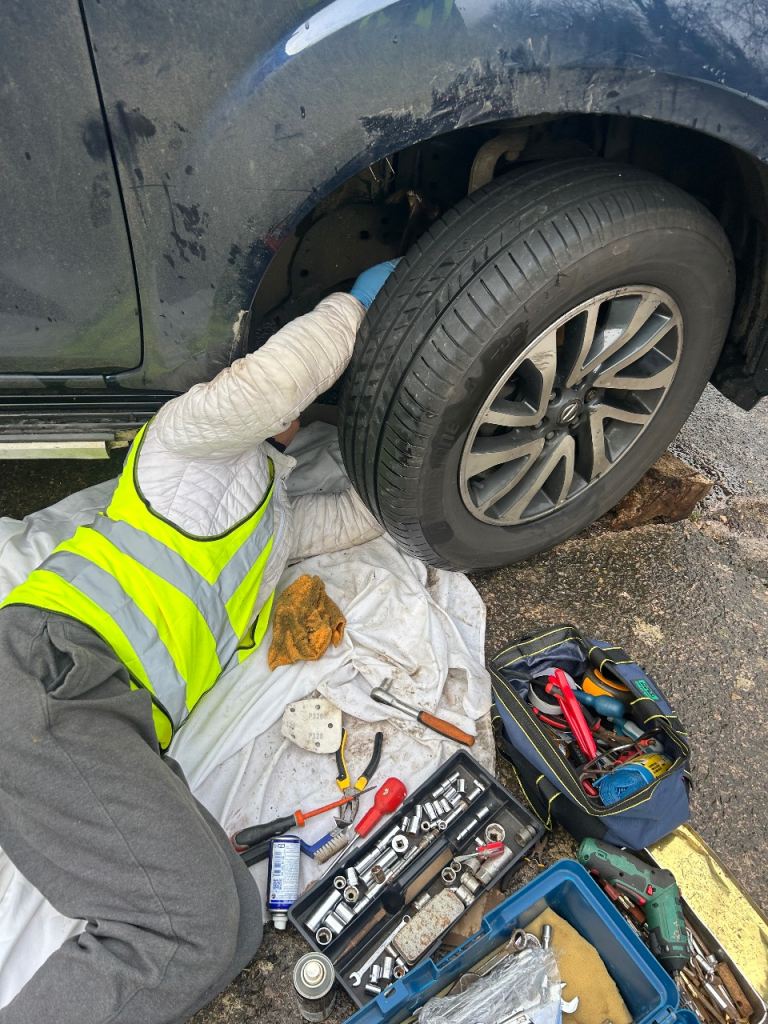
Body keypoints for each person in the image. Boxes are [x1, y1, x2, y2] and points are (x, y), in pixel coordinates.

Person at [0, 260, 398, 1024]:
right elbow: (277, 382)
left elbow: (355, 518)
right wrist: (362, 306)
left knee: (232, 921)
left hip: (96, 714)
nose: (296, 414)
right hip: (52, 671)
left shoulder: (271, 524)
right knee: (191, 929)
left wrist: (432, 468)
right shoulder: (182, 446)